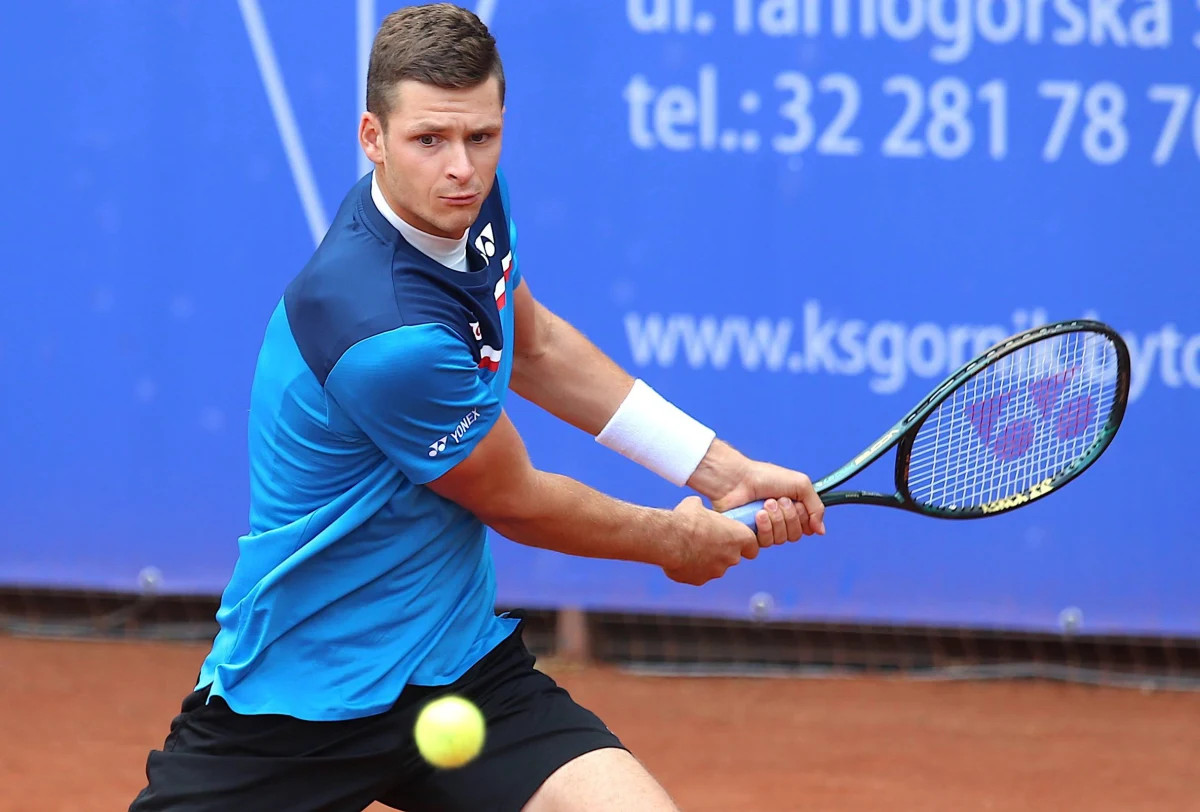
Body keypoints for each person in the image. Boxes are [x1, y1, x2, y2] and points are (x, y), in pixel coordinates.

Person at [129, 4, 825, 811]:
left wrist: (722, 469)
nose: (461, 167)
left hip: (457, 667)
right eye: (430, 140)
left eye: (481, 138)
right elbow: (518, 501)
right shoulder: (384, 329)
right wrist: (675, 540)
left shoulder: (467, 210)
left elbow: (537, 347)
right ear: (372, 136)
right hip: (299, 697)